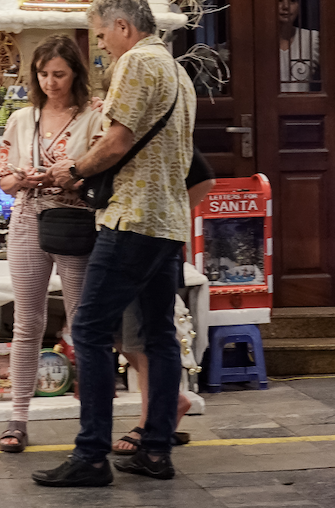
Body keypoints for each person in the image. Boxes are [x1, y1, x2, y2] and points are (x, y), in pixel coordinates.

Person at [34, 0, 196, 488]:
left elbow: (118, 141)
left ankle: (91, 455)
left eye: (102, 34)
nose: (101, 45)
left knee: (89, 330)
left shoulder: (134, 64)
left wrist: (74, 170)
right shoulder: (178, 71)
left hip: (131, 219)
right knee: (158, 335)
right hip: (168, 221)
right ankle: (155, 449)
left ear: (123, 26)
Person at [0, 35, 103, 454]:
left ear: (75, 73)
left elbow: (102, 169)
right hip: (25, 221)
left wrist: (69, 176)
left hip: (75, 221)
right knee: (27, 322)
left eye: (59, 73)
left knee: (82, 324)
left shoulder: (95, 115)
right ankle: (17, 417)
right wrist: (21, 177)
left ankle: (91, 419)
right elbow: (2, 179)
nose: (51, 82)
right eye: (43, 74)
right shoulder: (23, 118)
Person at [112, 149, 215, 456]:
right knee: (118, 336)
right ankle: (171, 400)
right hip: (113, 243)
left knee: (141, 337)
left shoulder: (153, 131)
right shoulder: (104, 130)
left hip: (149, 246)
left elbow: (205, 177)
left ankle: (148, 421)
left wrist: (170, 215)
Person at [277, 0, 320, 93]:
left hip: (300, 108)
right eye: (279, 0)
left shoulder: (312, 39)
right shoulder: (256, 41)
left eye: (292, 0)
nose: (285, 6)